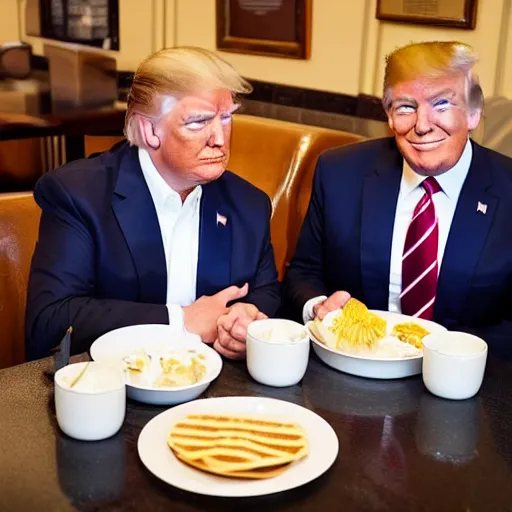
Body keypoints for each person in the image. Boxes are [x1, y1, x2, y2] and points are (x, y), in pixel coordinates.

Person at [26, 47, 281, 361]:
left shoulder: (249, 203)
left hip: (216, 388)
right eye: (199, 122)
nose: (219, 139)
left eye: (226, 118)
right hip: (113, 387)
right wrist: (180, 321)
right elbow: (50, 322)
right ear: (150, 130)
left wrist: (244, 320)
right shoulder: (78, 194)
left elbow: (267, 292)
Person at [284, 41, 512, 358]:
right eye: (405, 107)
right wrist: (318, 308)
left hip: (473, 383)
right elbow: (303, 272)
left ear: (473, 113)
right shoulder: (340, 172)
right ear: (389, 117)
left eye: (442, 104)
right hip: (355, 369)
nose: (422, 124)